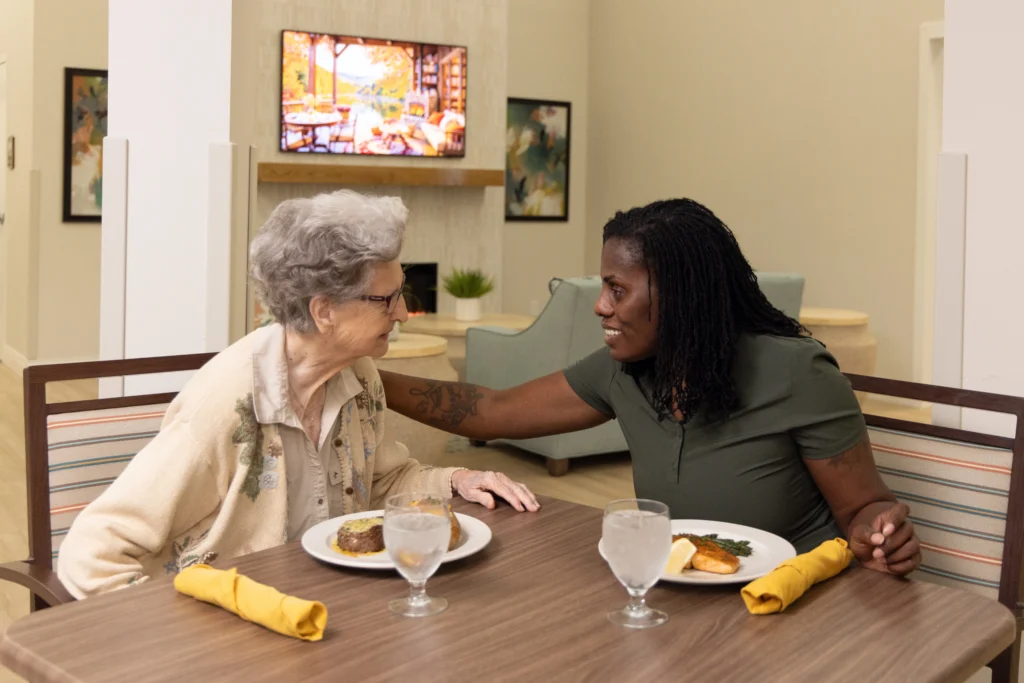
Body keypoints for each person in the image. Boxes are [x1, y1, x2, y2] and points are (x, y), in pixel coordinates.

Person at [381, 198, 921, 575]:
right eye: (601, 288)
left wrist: (881, 537)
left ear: (683, 296)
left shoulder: (796, 372)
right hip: (682, 597)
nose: (601, 306)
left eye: (617, 290)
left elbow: (864, 511)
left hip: (798, 602)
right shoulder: (625, 371)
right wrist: (363, 379)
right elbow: (489, 411)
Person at [58, 190, 539, 598]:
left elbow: (382, 483)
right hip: (237, 631)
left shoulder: (359, 378)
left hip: (329, 608)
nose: (402, 314)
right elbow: (92, 550)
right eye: (386, 299)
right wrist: (182, 643)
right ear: (323, 310)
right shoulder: (227, 405)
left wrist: (457, 480)